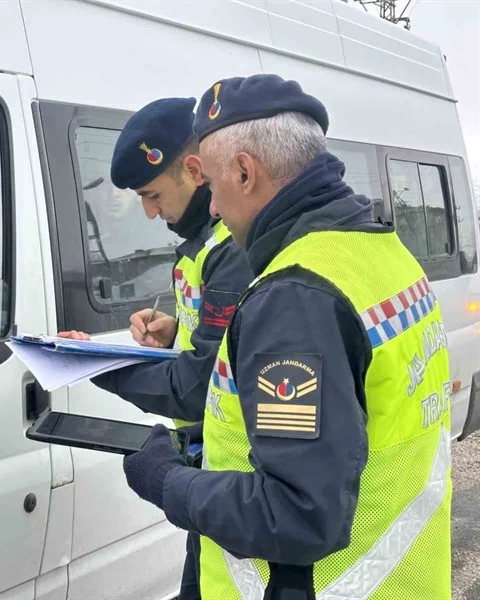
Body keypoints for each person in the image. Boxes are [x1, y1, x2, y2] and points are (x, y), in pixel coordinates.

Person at [121, 74, 452, 600]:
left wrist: (167, 481)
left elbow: (297, 514)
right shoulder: (381, 251)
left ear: (245, 172)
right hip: (407, 578)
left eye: (214, 184)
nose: (212, 208)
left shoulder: (295, 296)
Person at [60, 97, 253, 600]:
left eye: (151, 195)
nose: (148, 212)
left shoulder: (229, 251)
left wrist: (93, 364)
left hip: (237, 476)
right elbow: (221, 342)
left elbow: (198, 386)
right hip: (216, 462)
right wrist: (175, 333)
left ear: (193, 170)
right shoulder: (201, 243)